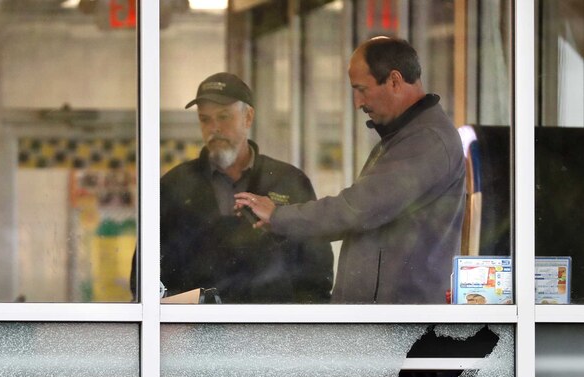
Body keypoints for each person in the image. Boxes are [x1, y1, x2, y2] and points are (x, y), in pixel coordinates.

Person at [235, 37, 466, 304]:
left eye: (362, 89)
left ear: (394, 80)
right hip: (384, 321)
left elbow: (358, 209)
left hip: (399, 326)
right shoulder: (404, 137)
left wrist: (279, 216)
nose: (357, 102)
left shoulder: (427, 140)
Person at [154, 72, 333, 303]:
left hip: (272, 330)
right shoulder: (176, 185)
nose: (214, 128)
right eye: (205, 119)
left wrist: (303, 330)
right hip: (197, 331)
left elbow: (316, 268)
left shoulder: (288, 182)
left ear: (248, 117)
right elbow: (148, 271)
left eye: (224, 116)